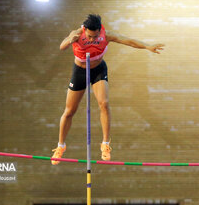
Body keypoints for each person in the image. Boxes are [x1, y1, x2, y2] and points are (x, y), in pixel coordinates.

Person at [51, 14, 164, 165]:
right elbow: (62, 46)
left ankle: (105, 144)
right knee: (69, 111)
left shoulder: (107, 35)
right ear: (85, 30)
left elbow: (128, 41)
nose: (92, 39)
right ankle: (60, 146)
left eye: (95, 36)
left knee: (104, 104)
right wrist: (69, 41)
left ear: (99, 30)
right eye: (89, 36)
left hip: (98, 70)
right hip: (80, 71)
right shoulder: (77, 34)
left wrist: (147, 46)